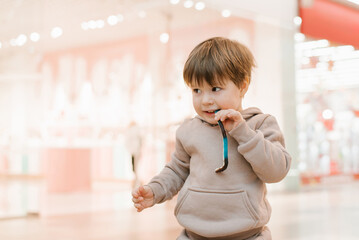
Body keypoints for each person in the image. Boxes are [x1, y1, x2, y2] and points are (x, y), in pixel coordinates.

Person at [132, 37, 291, 239]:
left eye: (215, 89)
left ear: (243, 86)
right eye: (196, 90)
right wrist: (155, 190)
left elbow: (276, 171)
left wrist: (244, 133)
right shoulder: (188, 130)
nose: (205, 100)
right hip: (193, 234)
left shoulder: (260, 124)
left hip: (247, 235)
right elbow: (177, 170)